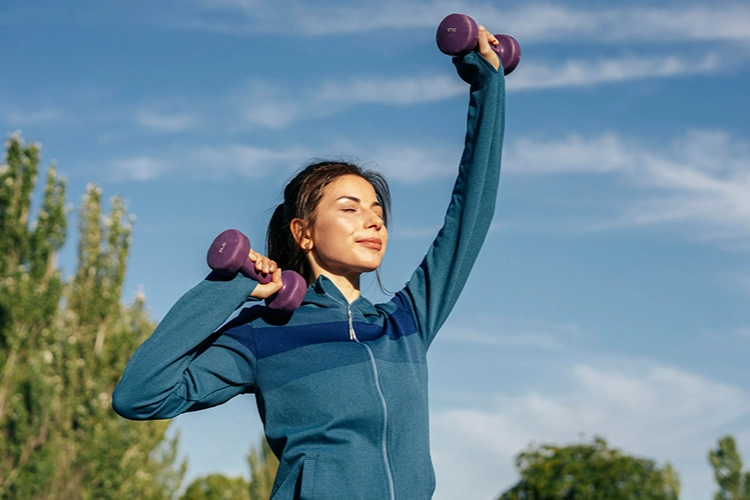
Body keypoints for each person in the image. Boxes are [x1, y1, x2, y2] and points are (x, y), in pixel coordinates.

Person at [113, 26, 506, 500]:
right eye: (350, 209)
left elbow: (471, 214)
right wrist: (227, 286)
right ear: (303, 233)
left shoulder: (407, 322)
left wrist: (488, 86)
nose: (373, 222)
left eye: (378, 213)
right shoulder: (263, 333)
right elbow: (139, 396)